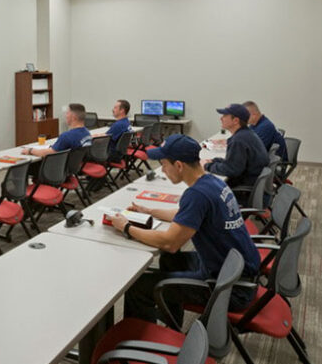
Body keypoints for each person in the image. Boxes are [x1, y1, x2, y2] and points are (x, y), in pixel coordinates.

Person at [108, 134, 260, 323]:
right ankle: (173, 321)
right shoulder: (212, 182)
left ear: (179, 165)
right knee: (170, 261)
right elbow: (184, 214)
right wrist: (147, 210)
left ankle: (139, 344)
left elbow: (170, 242)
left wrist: (126, 227)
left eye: (164, 164)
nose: (162, 170)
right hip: (236, 271)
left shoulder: (197, 194)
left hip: (230, 289)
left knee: (138, 286)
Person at [203, 103, 269, 205]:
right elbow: (233, 163)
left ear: (236, 121)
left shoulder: (239, 140)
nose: (221, 118)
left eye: (225, 116)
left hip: (244, 191)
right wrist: (215, 161)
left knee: (205, 189)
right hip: (252, 185)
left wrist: (207, 166)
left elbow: (231, 170)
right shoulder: (246, 134)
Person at [21, 103, 92, 157]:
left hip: (61, 169)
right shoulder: (86, 132)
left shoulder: (66, 136)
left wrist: (30, 150)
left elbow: (45, 153)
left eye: (67, 113)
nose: (65, 116)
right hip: (77, 166)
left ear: (73, 117)